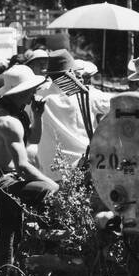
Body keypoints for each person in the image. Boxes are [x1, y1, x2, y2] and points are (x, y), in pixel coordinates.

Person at [0, 64, 57, 269]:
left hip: (8, 179)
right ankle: (47, 248)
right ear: (22, 91)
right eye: (31, 89)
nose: (34, 92)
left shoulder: (17, 113)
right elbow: (23, 166)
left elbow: (33, 138)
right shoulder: (7, 121)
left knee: (9, 236)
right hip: (0, 180)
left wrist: (38, 115)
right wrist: (53, 185)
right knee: (47, 190)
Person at [36, 48, 109, 181]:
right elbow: (119, 103)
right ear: (70, 73)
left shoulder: (39, 97)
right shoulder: (88, 95)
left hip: (49, 173)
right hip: (81, 170)